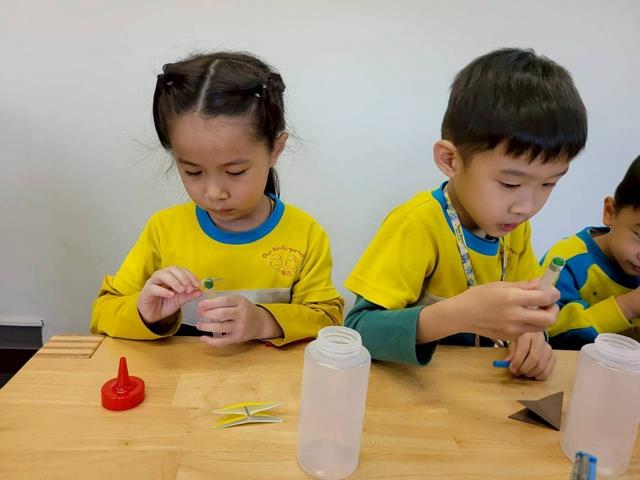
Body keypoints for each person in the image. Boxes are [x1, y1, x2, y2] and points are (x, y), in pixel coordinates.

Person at [345, 48, 588, 380]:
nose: (526, 207)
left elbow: (527, 308)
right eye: (509, 183)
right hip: (408, 394)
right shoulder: (418, 223)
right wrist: (458, 314)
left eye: (549, 184)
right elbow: (358, 331)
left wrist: (530, 334)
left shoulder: (514, 228)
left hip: (475, 391)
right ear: (450, 160)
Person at [91, 51, 343, 347]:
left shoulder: (305, 235)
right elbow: (102, 314)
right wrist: (145, 313)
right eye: (193, 172)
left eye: (235, 172)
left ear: (275, 150)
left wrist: (264, 321)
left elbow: (328, 320)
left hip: (269, 375)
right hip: (179, 374)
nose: (214, 193)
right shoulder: (164, 230)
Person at [541, 155, 640, 349]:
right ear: (610, 212)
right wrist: (628, 307)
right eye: (639, 235)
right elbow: (548, 332)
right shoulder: (567, 261)